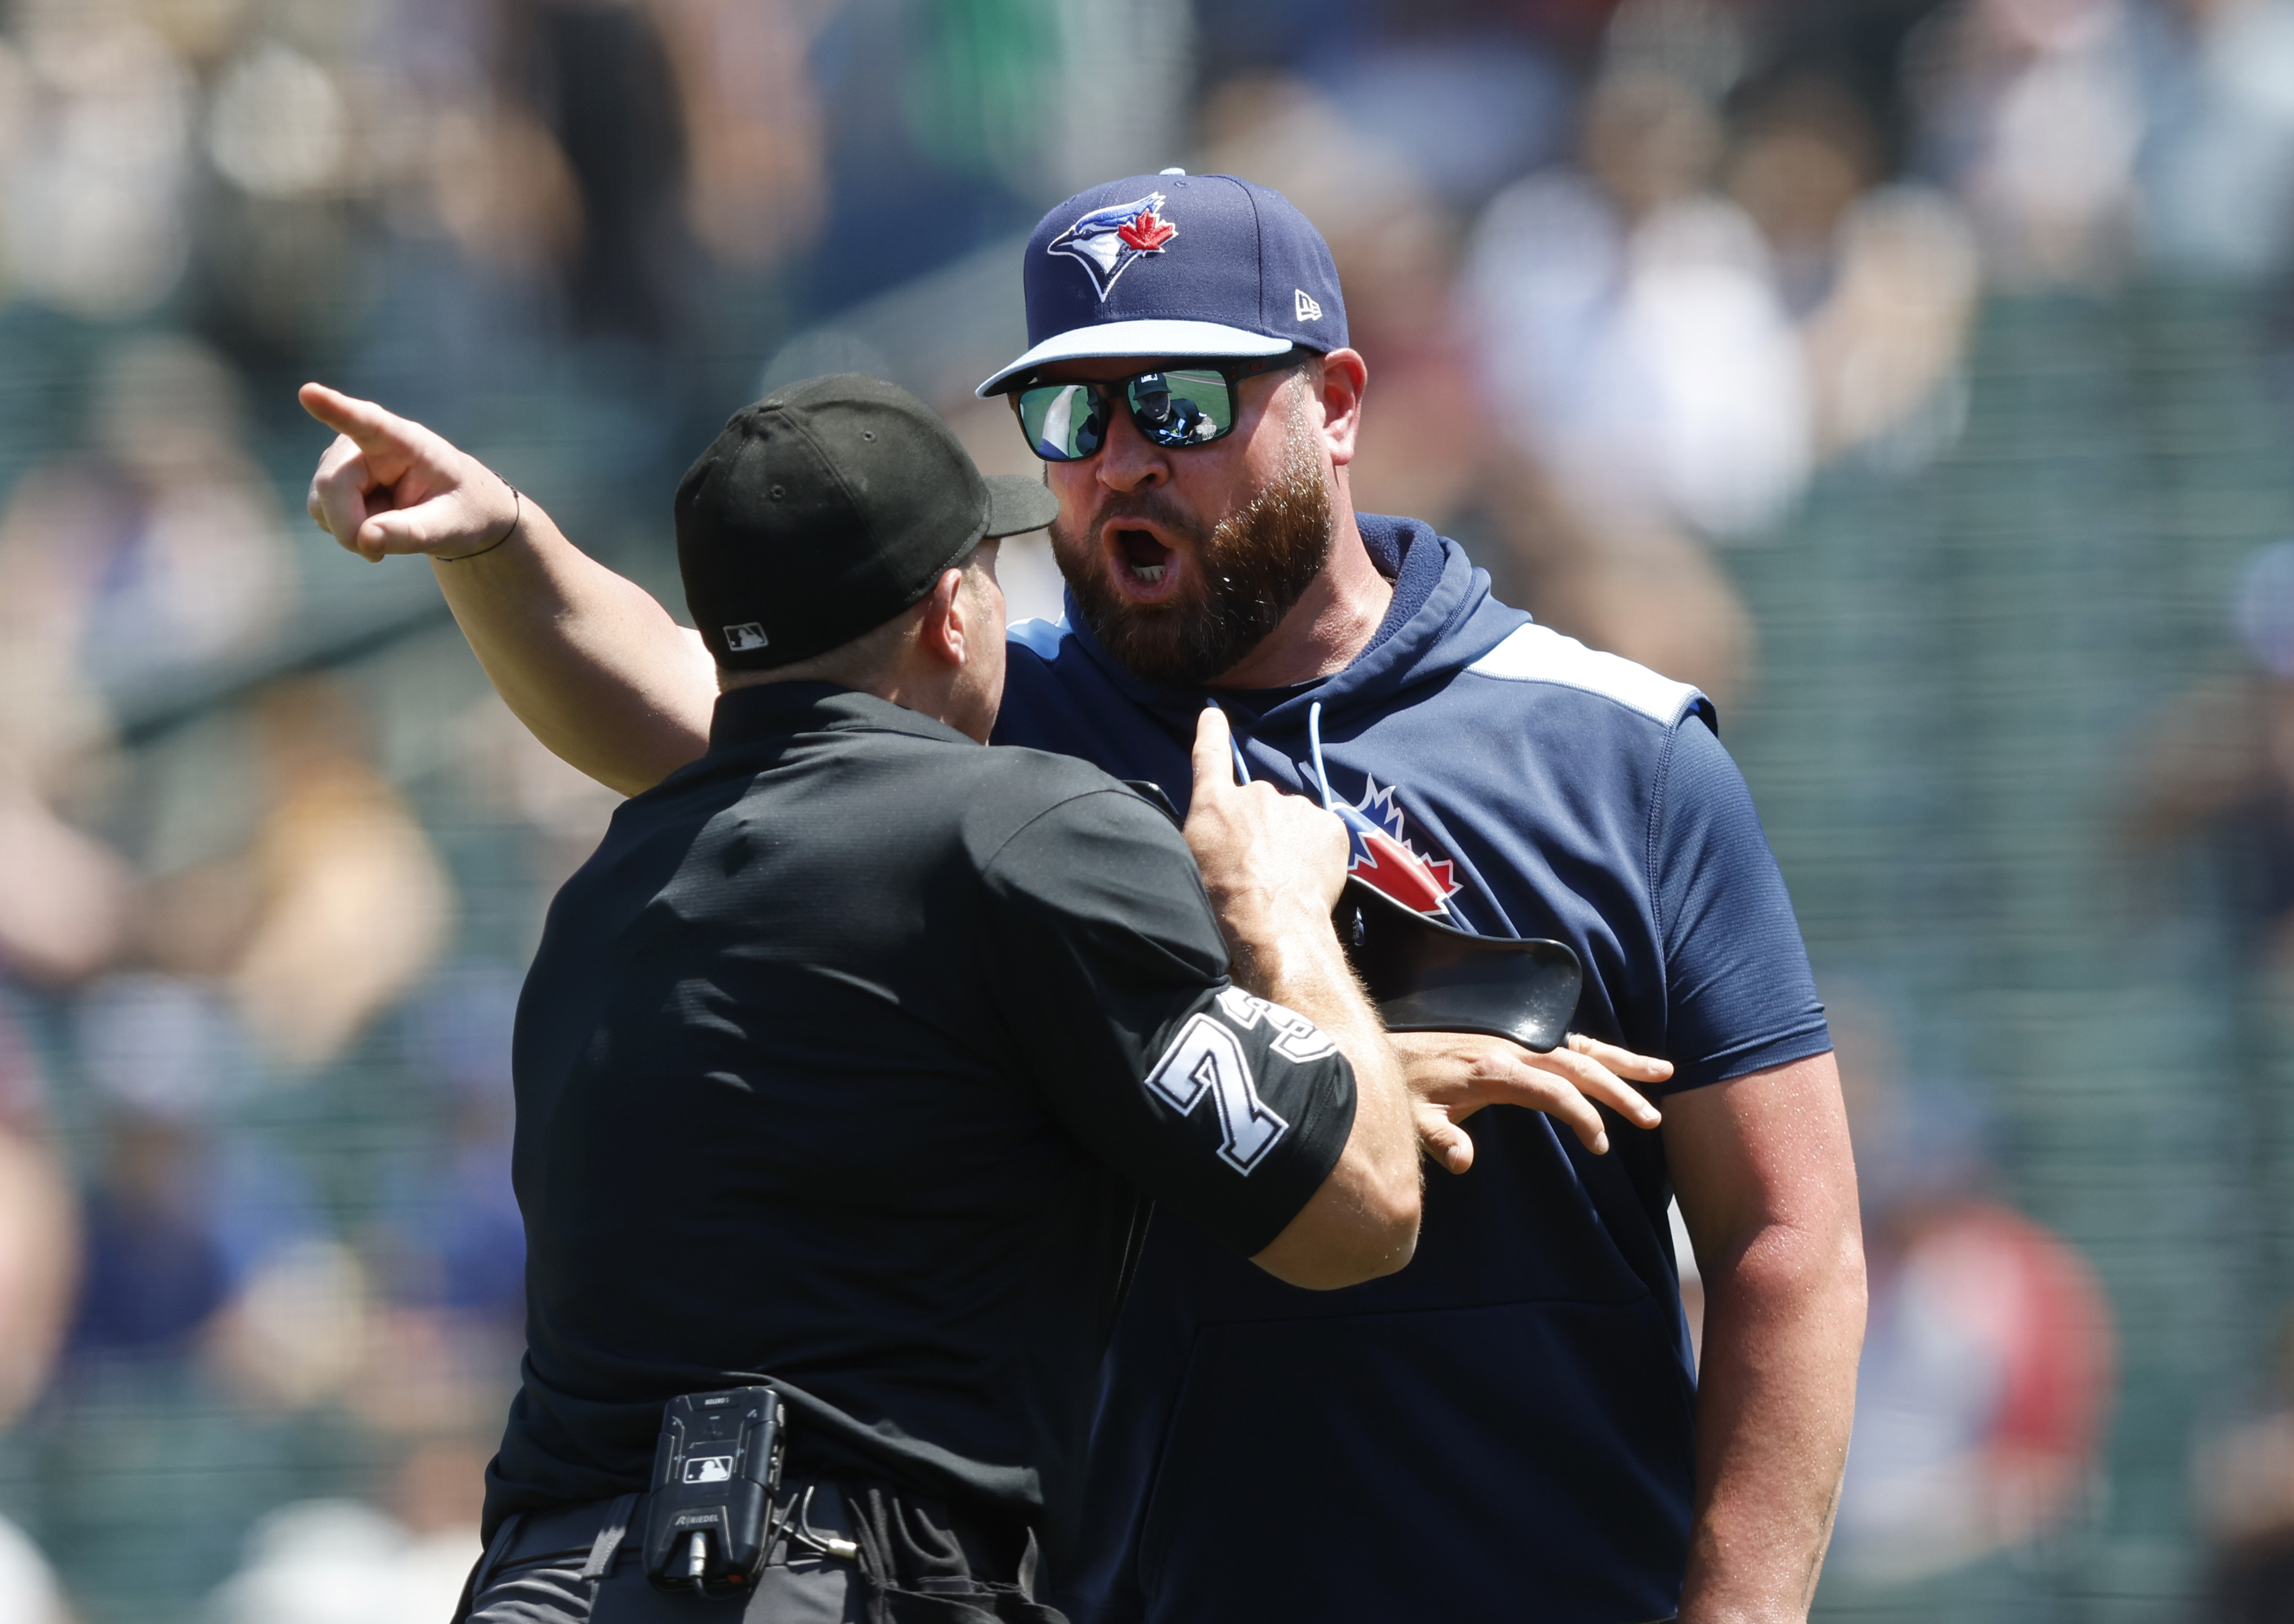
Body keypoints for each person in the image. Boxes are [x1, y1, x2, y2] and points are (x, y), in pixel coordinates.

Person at [302, 173, 1865, 1623]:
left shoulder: (1611, 747)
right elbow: (682, 697)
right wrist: (505, 542)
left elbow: (1783, 1243)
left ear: (1332, 405)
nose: (1120, 457)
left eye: (1178, 403)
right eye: (1069, 411)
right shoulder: (991, 734)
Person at [441, 372, 1439, 1622]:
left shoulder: (606, 892)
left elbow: (905, 1121)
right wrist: (1279, 919)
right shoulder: (1024, 828)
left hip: (541, 1587)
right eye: (990, 568)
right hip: (830, 1582)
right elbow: (1363, 1206)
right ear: (951, 616)